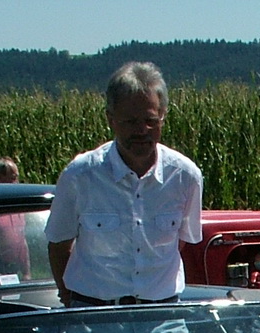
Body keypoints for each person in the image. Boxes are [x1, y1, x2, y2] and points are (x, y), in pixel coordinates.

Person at [45, 61, 203, 307]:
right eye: (130, 122)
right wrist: (70, 301)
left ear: (163, 117)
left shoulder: (185, 176)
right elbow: (58, 245)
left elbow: (180, 242)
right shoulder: (80, 176)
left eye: (150, 121)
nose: (142, 130)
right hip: (95, 316)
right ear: (111, 119)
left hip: (162, 315)